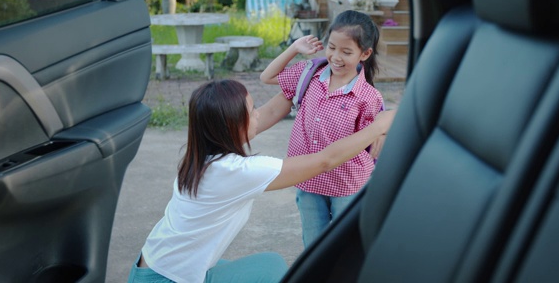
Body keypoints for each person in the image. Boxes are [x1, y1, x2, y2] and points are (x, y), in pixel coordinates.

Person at [128, 79, 394, 283]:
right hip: (167, 279)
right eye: (252, 110)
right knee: (272, 268)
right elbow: (324, 161)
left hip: (148, 267)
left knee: (246, 267)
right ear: (232, 126)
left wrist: (309, 73)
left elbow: (269, 113)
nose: (258, 113)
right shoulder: (237, 172)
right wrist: (378, 126)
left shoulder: (201, 154)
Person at [260, 9, 392, 248]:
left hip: (347, 184)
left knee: (343, 247)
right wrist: (294, 48)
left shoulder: (368, 96)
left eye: (346, 51)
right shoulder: (309, 75)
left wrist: (381, 131)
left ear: (365, 54)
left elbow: (373, 139)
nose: (336, 57)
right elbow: (267, 77)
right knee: (313, 245)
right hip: (308, 178)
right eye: (331, 47)